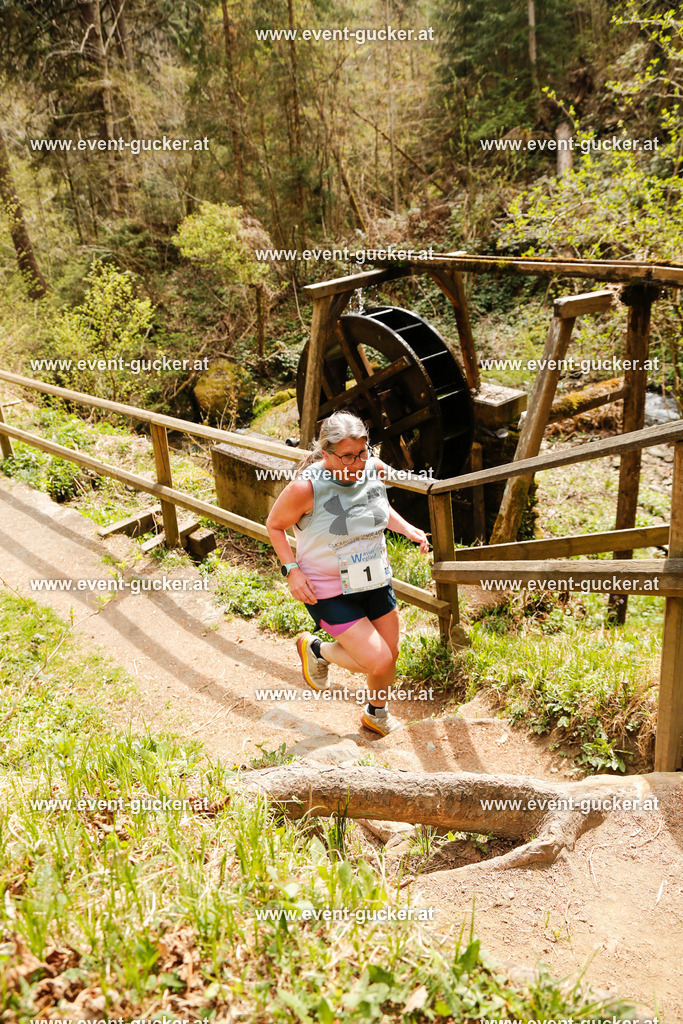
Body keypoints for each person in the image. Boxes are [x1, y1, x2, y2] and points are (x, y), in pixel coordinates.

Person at [266, 410, 429, 736]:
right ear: (325, 454)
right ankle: (318, 650)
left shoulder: (374, 468)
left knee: (390, 654)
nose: (357, 464)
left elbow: (378, 507)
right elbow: (274, 525)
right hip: (327, 589)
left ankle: (375, 713)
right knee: (380, 661)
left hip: (373, 576)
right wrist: (292, 572)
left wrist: (408, 528)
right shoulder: (305, 488)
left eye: (362, 452)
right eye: (347, 457)